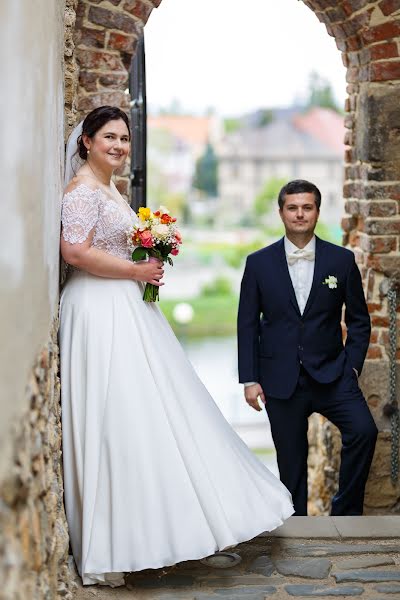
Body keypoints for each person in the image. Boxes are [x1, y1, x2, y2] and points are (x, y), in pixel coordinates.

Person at [59, 106, 293, 587]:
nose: (120, 146)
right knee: (116, 414)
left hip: (125, 308)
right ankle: (118, 539)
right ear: (86, 142)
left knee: (149, 410)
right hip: (99, 310)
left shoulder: (110, 189)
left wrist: (147, 254)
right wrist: (136, 270)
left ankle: (154, 526)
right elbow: (75, 251)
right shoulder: (82, 190)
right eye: (109, 137)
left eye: (125, 138)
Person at [238, 179, 378, 517]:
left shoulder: (341, 261)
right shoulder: (258, 263)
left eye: (307, 207)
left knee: (364, 430)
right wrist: (250, 379)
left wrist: (353, 367)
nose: (300, 214)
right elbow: (247, 324)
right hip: (280, 379)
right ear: (281, 212)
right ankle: (299, 525)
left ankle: (344, 512)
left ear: (316, 211)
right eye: (292, 208)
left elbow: (359, 321)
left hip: (332, 376)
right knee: (291, 463)